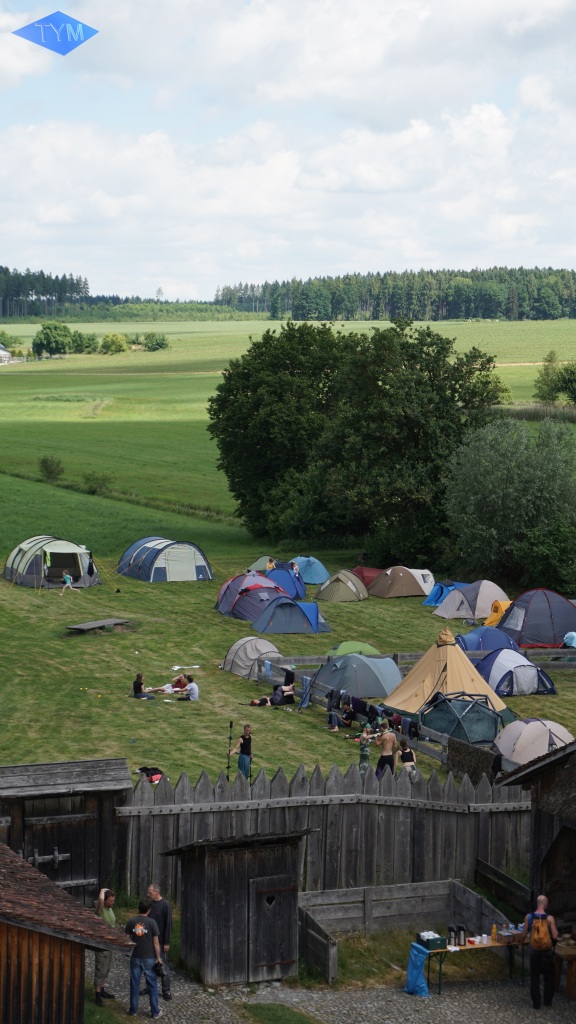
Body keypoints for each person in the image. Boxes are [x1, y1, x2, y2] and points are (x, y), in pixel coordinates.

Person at [124, 898, 163, 1019]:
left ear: (138, 908)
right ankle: (155, 1012)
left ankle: (133, 1010)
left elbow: (126, 939)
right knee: (152, 985)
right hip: (149, 958)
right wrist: (158, 958)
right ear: (149, 910)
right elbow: (156, 943)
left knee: (134, 984)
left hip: (135, 957)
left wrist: (128, 952)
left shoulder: (131, 921)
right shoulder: (152, 923)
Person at [519, 894, 558, 1009]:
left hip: (534, 952)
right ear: (545, 904)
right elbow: (555, 935)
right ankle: (547, 1001)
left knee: (535, 977)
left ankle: (536, 1003)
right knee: (549, 976)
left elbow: (523, 934)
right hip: (547, 952)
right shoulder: (550, 919)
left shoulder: (529, 917)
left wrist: (520, 944)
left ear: (537, 903)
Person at [141, 884, 173, 1002]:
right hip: (149, 940)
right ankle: (150, 987)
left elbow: (169, 924)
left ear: (156, 892)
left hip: (160, 941)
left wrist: (167, 942)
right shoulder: (149, 904)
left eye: (150, 892)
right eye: (148, 892)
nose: (148, 894)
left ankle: (166, 990)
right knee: (149, 965)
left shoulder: (165, 905)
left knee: (163, 966)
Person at [94, 888, 116, 1006]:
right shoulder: (100, 910)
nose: (112, 903)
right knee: (100, 969)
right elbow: (101, 901)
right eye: (110, 901)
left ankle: (102, 990)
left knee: (106, 969)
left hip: (110, 945)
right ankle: (97, 996)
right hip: (102, 945)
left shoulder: (110, 909)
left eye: (113, 901)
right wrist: (102, 890)